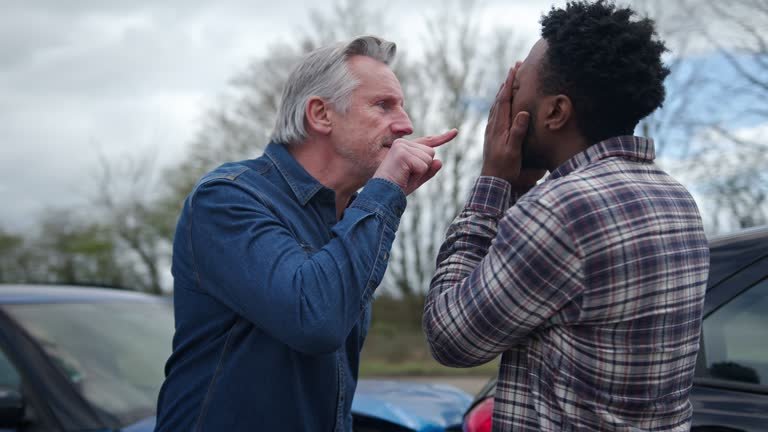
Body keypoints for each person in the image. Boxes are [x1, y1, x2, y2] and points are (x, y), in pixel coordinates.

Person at [422, 2, 709, 431]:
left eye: (516, 89)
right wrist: (520, 188)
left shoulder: (560, 211)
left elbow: (451, 337)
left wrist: (493, 187)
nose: (505, 101)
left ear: (555, 112)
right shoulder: (678, 200)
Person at [155, 35, 457, 432]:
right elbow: (315, 320)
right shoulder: (227, 198)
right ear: (321, 115)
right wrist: (383, 195)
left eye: (400, 106)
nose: (406, 124)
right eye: (383, 105)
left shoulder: (349, 215)